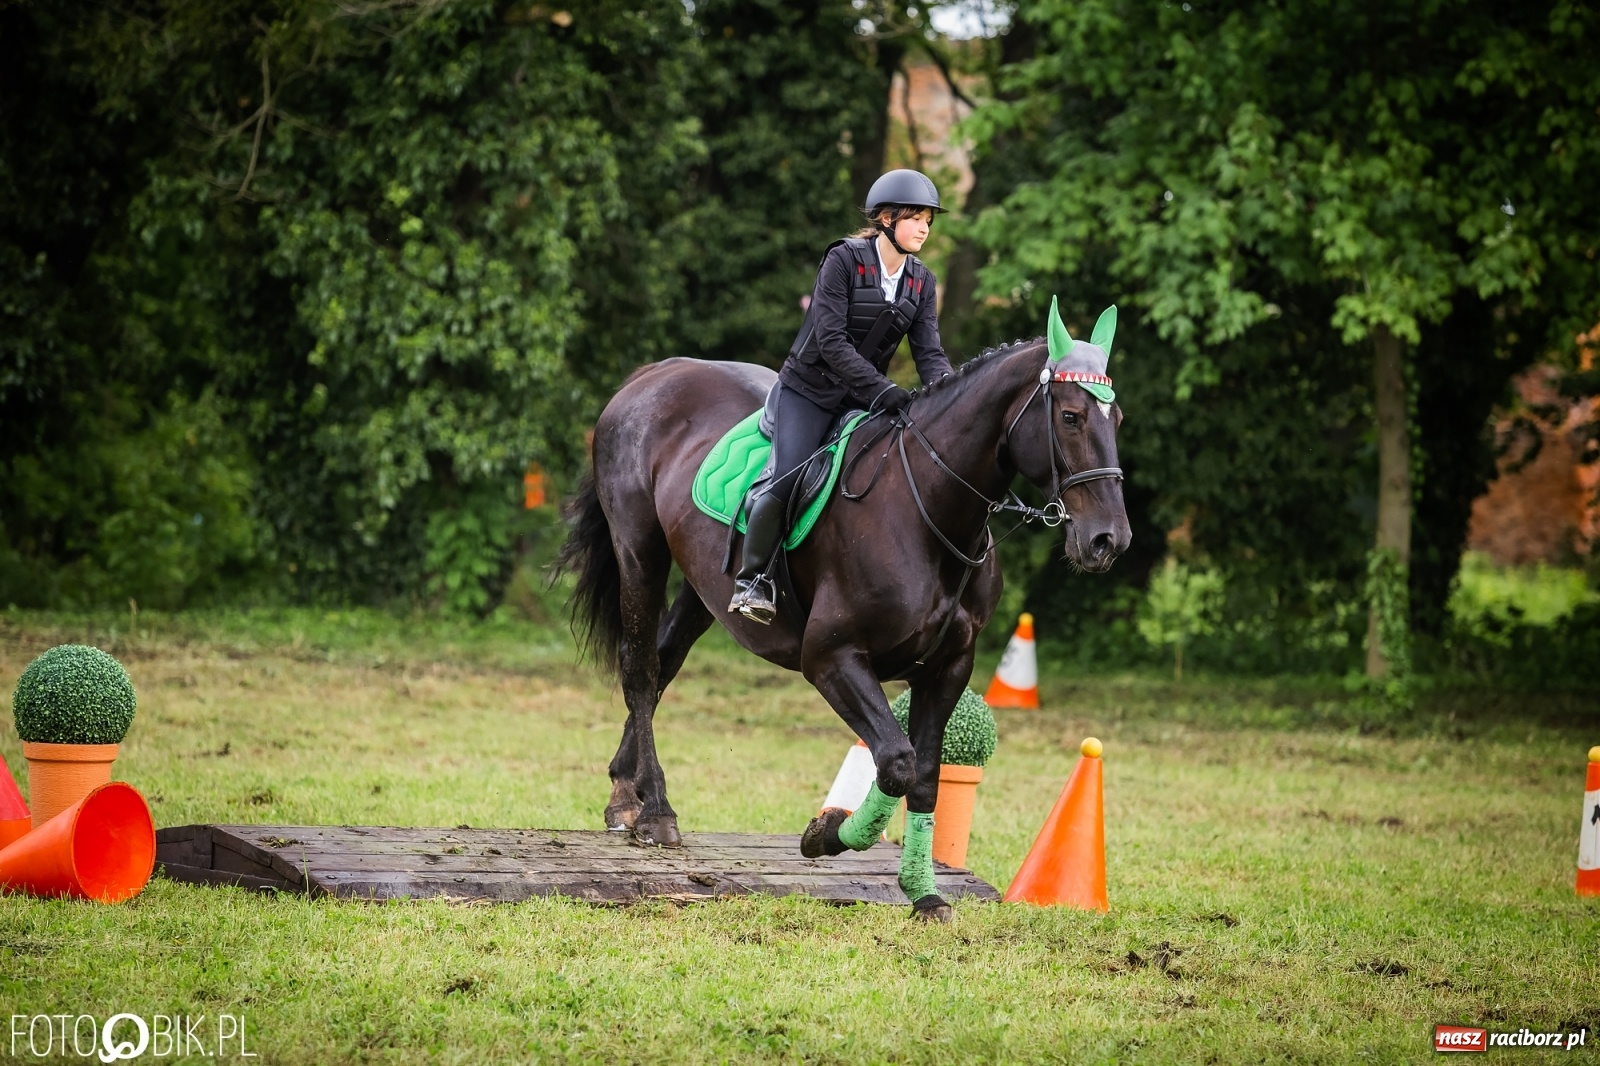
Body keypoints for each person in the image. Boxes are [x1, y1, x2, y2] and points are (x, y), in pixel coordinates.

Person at [728, 168, 956, 624]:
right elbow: (831, 342)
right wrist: (884, 389)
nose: (924, 229)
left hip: (862, 401)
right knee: (789, 476)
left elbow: (930, 354)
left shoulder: (921, 282)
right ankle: (752, 580)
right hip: (808, 392)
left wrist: (950, 398)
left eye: (928, 221)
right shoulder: (844, 261)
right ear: (887, 219)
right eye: (916, 218)